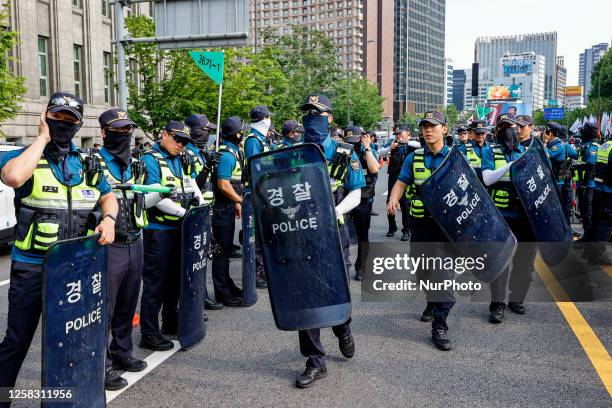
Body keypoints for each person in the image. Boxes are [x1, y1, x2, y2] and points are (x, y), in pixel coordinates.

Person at [0, 92, 118, 393]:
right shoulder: (25, 157)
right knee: (17, 340)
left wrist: (109, 219)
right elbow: (13, 178)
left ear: (79, 125)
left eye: (70, 119)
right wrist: (41, 138)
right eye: (57, 117)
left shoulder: (87, 163)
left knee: (72, 337)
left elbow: (108, 197)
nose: (62, 124)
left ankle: (67, 396)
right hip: (32, 269)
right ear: (46, 116)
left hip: (73, 271)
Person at [295, 94, 363, 388]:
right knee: (305, 296)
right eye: (307, 112)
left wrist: (332, 211)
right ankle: (315, 360)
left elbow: (355, 193)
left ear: (329, 118)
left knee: (335, 290)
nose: (311, 116)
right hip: (301, 235)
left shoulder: (345, 153)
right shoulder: (294, 152)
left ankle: (342, 328)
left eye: (317, 112)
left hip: (335, 233)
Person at [387, 112, 456, 351]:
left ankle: (440, 324)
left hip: (447, 227)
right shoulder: (413, 157)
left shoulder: (456, 157)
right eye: (425, 127)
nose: (428, 131)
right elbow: (402, 181)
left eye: (433, 126)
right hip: (421, 225)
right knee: (423, 271)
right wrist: (393, 199)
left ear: (444, 129)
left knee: (444, 277)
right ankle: (431, 300)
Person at [96, 108, 149, 390]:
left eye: (128, 129)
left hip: (134, 239)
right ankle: (100, 365)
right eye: (118, 130)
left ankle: (122, 353)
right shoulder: (92, 162)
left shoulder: (135, 163)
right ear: (104, 132)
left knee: (128, 304)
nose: (125, 134)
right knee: (104, 308)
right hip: (108, 247)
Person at [139, 121, 202, 351]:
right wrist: (185, 213)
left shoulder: (180, 159)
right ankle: (149, 332)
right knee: (156, 283)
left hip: (181, 229)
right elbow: (155, 195)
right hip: (160, 231)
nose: (181, 145)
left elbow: (192, 185)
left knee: (175, 280)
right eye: (177, 139)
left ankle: (170, 321)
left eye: (185, 142)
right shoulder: (151, 159)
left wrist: (200, 209)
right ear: (163, 134)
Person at [482, 113, 535, 322]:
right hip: (501, 217)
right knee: (501, 263)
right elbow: (487, 179)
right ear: (497, 131)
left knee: (525, 262)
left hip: (526, 217)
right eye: (503, 127)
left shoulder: (529, 152)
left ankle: (517, 300)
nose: (508, 131)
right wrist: (510, 165)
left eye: (512, 127)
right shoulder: (490, 151)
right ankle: (497, 304)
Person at [184, 114, 223, 312]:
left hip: (207, 210)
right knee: (195, 258)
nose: (207, 133)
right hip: (194, 212)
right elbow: (192, 186)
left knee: (203, 256)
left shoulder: (200, 152)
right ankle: (197, 298)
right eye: (204, 130)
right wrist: (207, 167)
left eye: (209, 130)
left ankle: (202, 295)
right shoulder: (187, 154)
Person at [211, 116, 248, 306]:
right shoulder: (226, 155)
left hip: (227, 207)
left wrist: (236, 203)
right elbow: (223, 185)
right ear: (236, 134)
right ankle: (222, 292)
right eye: (242, 131)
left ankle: (227, 285)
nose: (243, 133)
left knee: (225, 253)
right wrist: (241, 200)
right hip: (220, 211)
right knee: (221, 253)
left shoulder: (233, 151)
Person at [344, 126, 380, 281]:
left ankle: (361, 267)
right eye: (349, 141)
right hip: (344, 197)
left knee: (362, 236)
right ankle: (344, 265)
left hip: (364, 198)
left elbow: (374, 168)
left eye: (356, 140)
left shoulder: (369, 149)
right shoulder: (343, 150)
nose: (353, 144)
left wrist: (366, 148)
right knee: (342, 234)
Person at [244, 106, 274, 289]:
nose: (270, 120)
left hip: (266, 190)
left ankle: (262, 270)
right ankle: (256, 273)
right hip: (258, 191)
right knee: (257, 234)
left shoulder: (261, 139)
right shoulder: (253, 140)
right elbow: (256, 167)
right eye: (268, 117)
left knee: (265, 233)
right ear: (263, 119)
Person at [378, 126, 419, 241]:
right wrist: (390, 148)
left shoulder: (412, 146)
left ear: (408, 134)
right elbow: (379, 152)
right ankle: (392, 227)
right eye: (397, 134)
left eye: (401, 133)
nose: (398, 136)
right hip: (394, 177)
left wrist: (407, 142)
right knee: (389, 203)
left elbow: (421, 146)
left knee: (405, 204)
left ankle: (406, 230)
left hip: (407, 180)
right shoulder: (392, 144)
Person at [585, 132, 612, 265]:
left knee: (596, 221)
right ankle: (596, 255)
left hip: (598, 188)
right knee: (605, 224)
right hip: (609, 192)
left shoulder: (605, 146)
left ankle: (589, 252)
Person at [542, 122, 577, 221]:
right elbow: (575, 154)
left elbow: (544, 156)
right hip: (558, 181)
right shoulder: (564, 145)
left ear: (550, 132)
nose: (543, 132)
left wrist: (544, 142)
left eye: (545, 130)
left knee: (554, 208)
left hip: (556, 182)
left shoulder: (557, 146)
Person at [573, 122, 599, 246]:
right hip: (582, 184)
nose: (581, 132)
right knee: (583, 212)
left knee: (587, 212)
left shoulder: (592, 147)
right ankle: (587, 236)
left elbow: (591, 166)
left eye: (583, 130)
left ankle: (589, 240)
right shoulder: (585, 146)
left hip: (588, 186)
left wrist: (584, 185)